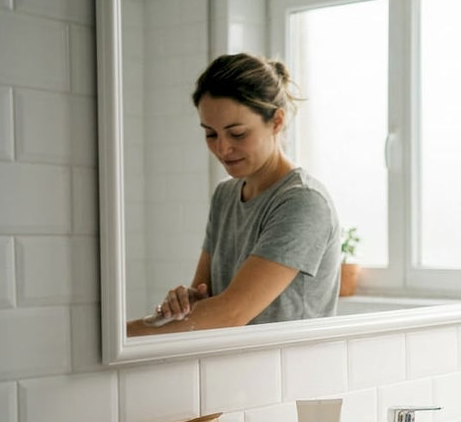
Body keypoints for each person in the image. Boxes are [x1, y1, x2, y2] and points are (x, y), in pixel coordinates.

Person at [127, 53, 341, 337]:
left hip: (291, 375)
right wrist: (187, 302)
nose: (222, 149)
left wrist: (120, 336)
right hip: (233, 369)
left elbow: (231, 313)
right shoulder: (225, 195)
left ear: (276, 121)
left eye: (237, 134)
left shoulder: (302, 202)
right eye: (210, 134)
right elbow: (207, 299)